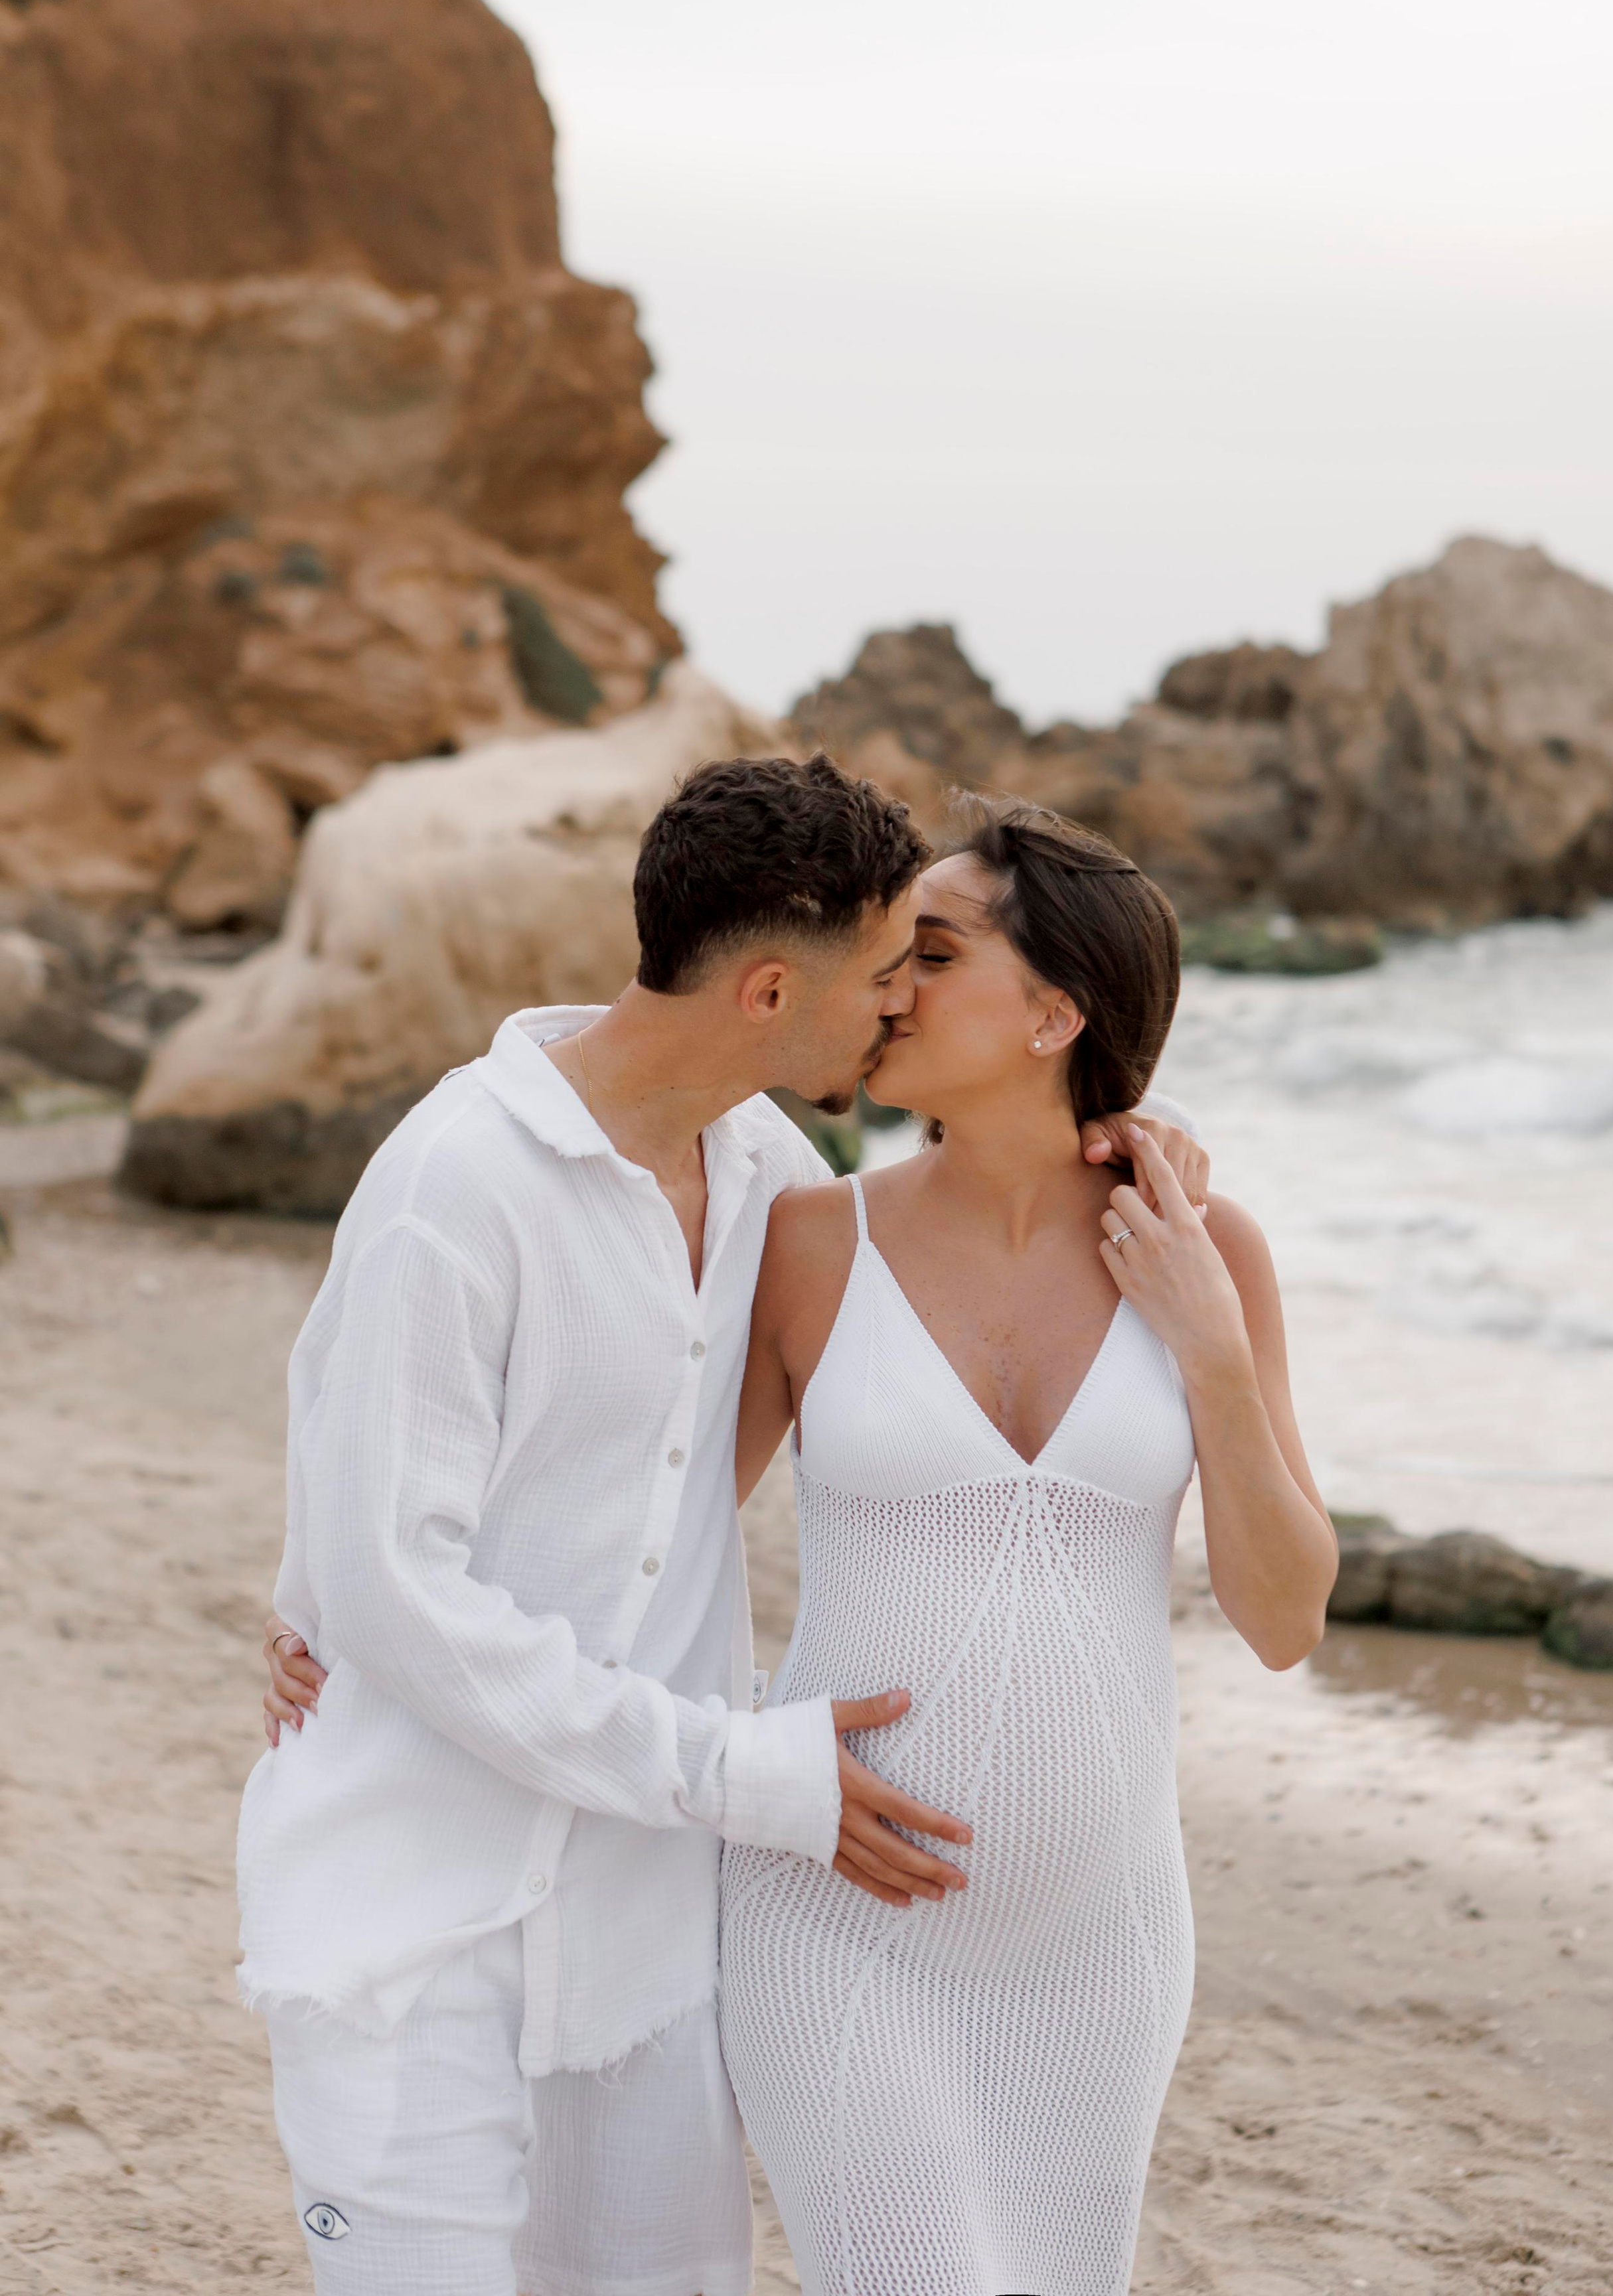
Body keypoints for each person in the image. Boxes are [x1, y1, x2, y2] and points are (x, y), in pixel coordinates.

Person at [249, 753, 1206, 2296]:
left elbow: (930, 1280)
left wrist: (1146, 1165)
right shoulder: (457, 1181)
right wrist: (333, 1585)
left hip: (640, 1944)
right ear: (772, 991)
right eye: (893, 969)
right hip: (417, 1922)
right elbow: (389, 1555)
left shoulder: (769, 1177)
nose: (899, 1003)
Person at [716, 799, 1338, 2296]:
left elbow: (1281, 1618)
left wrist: (1210, 1357)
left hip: (1100, 1941)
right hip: (832, 1914)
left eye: (928, 953)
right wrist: (354, 1597)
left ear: (1055, 1011)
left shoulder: (1205, 1247)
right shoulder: (811, 1241)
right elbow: (650, 1530)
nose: (887, 988)